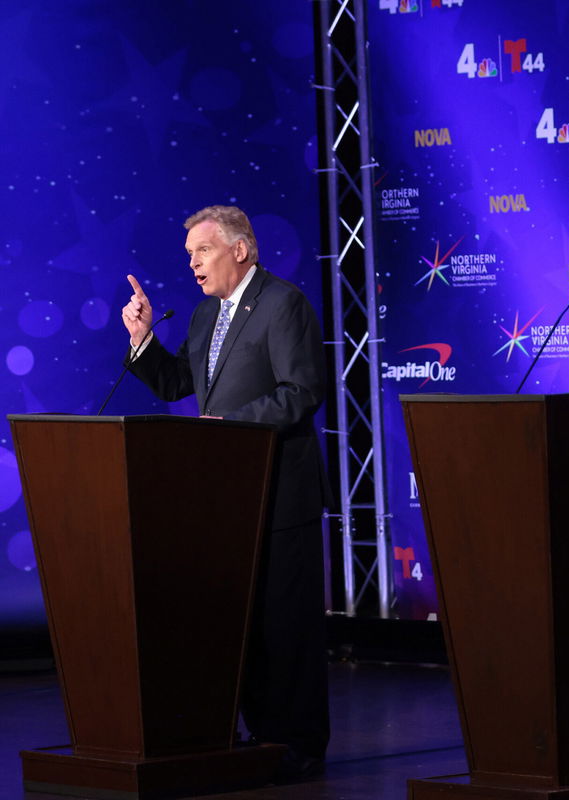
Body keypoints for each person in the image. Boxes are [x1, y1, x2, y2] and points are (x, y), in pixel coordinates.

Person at [121, 205, 329, 782]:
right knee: (245, 625)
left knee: (287, 626)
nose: (193, 263)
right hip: (228, 500)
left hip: (281, 493)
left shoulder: (283, 304)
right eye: (189, 254)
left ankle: (300, 744)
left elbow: (301, 393)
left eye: (202, 251)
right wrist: (141, 341)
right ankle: (259, 736)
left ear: (239, 249)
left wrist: (228, 426)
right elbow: (175, 384)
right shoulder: (203, 316)